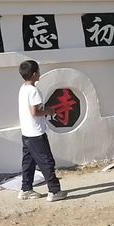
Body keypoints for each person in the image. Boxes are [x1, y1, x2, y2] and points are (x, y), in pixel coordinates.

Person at [17, 60, 67, 202]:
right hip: (36, 133)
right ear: (34, 74)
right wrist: (49, 111)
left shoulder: (23, 88)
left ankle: (25, 189)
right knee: (46, 161)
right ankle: (54, 191)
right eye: (38, 71)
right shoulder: (34, 91)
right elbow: (35, 112)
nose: (40, 73)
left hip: (26, 132)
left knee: (28, 162)